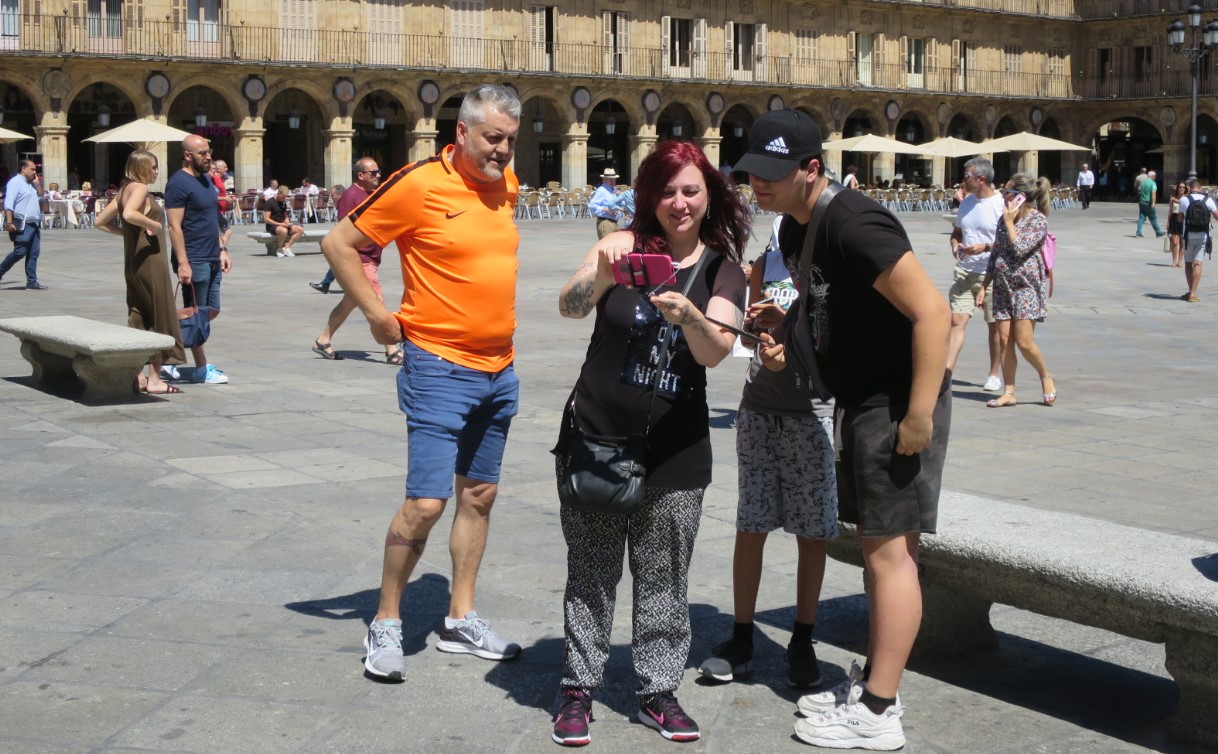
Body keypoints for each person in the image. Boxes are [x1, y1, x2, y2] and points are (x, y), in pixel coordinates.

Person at [737, 109, 951, 752]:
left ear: (812, 169)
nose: (761, 186)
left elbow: (933, 313)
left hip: (894, 403)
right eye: (754, 174)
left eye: (775, 174)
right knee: (879, 550)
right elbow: (834, 304)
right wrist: (786, 321)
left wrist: (917, 415)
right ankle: (875, 684)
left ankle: (880, 710)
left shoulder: (854, 220)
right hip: (862, 401)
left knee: (891, 555)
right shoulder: (797, 228)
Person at [321, 84, 524, 683]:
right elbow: (339, 243)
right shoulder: (416, 184)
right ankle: (386, 619)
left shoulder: (506, 186)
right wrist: (378, 317)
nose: (503, 152)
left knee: (479, 495)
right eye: (493, 139)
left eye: (511, 140)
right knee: (427, 501)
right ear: (460, 133)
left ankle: (460, 617)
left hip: (500, 367)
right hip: (438, 366)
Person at [552, 139, 749, 746]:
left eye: (690, 189)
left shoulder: (724, 269)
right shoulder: (621, 245)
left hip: (675, 450)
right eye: (666, 191)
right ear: (649, 197)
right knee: (590, 571)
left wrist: (688, 315)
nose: (679, 202)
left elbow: (717, 352)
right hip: (596, 437)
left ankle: (657, 690)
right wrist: (602, 271)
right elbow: (567, 307)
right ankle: (578, 688)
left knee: (664, 577)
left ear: (709, 194)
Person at [697, 212, 837, 691]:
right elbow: (756, 338)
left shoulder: (830, 274)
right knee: (751, 523)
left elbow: (834, 340)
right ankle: (741, 637)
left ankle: (803, 637)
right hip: (758, 407)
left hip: (811, 413)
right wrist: (762, 334)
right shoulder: (763, 267)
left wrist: (793, 339)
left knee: (811, 530)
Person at [94, 151, 186, 395]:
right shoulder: (140, 188)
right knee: (159, 313)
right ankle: (155, 379)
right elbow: (128, 214)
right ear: (142, 167)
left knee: (138, 315)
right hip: (150, 260)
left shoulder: (124, 190)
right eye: (153, 167)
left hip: (133, 262)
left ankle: (139, 377)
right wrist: (154, 224)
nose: (156, 171)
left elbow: (100, 221)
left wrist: (126, 234)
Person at [977, 173, 1057, 408]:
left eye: (1008, 194)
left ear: (1022, 197)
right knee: (1004, 340)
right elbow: (996, 254)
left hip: (1026, 288)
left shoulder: (1038, 220)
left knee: (1023, 341)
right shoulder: (1003, 220)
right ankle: (1009, 391)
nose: (1004, 197)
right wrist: (984, 286)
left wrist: (1011, 222)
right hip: (1002, 286)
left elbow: (1020, 247)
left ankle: (1045, 376)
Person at [311, 158, 402, 364]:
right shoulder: (350, 197)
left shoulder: (370, 194)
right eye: (373, 173)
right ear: (360, 175)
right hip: (359, 259)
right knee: (376, 302)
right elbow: (344, 234)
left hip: (370, 256)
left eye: (379, 172)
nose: (378, 175)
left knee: (350, 302)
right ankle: (392, 349)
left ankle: (323, 340)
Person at [164, 134, 231, 385]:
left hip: (212, 255)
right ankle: (201, 367)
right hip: (194, 257)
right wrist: (183, 262)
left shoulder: (205, 180)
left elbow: (212, 219)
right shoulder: (178, 183)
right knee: (197, 314)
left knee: (211, 310)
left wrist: (222, 249)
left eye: (208, 151)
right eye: (202, 153)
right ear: (187, 155)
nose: (208, 156)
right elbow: (174, 226)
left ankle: (167, 352)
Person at [946, 157, 1005, 392]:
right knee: (956, 321)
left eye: (967, 176)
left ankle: (994, 374)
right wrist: (954, 244)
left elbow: (1010, 242)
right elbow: (957, 231)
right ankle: (946, 371)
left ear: (981, 179)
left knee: (994, 326)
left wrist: (986, 247)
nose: (963, 180)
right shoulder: (967, 202)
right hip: (965, 271)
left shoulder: (1001, 204)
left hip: (991, 274)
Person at [1, 159, 48, 290]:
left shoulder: (30, 184)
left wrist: (37, 185)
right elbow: (8, 204)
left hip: (33, 224)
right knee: (19, 252)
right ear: (23, 168)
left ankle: (32, 281)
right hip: (22, 224)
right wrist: (9, 222)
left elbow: (41, 197)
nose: (35, 172)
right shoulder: (15, 183)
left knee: (33, 253)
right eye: (32, 169)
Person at [1180, 179, 1218, 303]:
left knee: (1187, 262)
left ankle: (1190, 290)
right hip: (1203, 236)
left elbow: (1180, 219)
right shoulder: (1208, 200)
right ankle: (1193, 293)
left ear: (1190, 188)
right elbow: (1217, 217)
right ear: (1200, 188)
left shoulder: (1184, 200)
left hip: (1188, 235)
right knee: (1198, 263)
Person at [264, 185, 304, 257]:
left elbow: (285, 216)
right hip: (272, 225)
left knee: (300, 230)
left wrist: (288, 223)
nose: (284, 198)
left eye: (285, 197)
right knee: (284, 231)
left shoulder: (283, 203)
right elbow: (267, 219)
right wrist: (281, 224)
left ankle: (287, 247)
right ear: (278, 193)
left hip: (282, 224)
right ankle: (279, 249)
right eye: (283, 197)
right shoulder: (270, 202)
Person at [586, 168, 622, 238]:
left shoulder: (614, 190)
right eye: (610, 179)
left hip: (614, 222)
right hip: (606, 222)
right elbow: (592, 205)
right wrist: (606, 210)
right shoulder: (602, 190)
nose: (613, 181)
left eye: (614, 179)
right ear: (604, 180)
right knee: (607, 246)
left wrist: (620, 197)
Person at [1136, 169, 1165, 238]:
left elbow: (1139, 191)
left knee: (1141, 217)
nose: (1155, 177)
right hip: (1148, 202)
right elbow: (1153, 193)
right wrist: (1153, 203)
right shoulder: (1153, 183)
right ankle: (1158, 232)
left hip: (1141, 201)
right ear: (1152, 176)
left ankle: (1138, 231)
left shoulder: (1143, 182)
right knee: (1153, 218)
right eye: (1154, 176)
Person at [1169, 182, 1188, 268]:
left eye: (1183, 187)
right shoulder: (1172, 199)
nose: (1181, 188)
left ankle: (1180, 261)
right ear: (1177, 188)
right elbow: (1170, 211)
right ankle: (1174, 260)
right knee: (1174, 241)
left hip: (1183, 220)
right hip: (1174, 219)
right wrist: (1168, 223)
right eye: (1180, 187)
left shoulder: (1187, 199)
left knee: (1182, 242)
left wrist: (1178, 201)